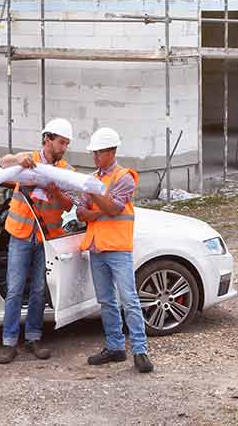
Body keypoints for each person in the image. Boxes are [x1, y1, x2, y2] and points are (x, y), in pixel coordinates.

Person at [0, 117, 75, 364]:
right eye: (61, 142)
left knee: (39, 290)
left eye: (67, 144)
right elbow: (2, 162)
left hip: (45, 238)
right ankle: (9, 343)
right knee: (16, 289)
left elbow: (70, 203)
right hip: (20, 234)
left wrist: (56, 192)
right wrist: (17, 160)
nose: (64, 148)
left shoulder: (65, 170)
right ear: (47, 139)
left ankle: (33, 338)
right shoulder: (28, 159)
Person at [76, 127, 153, 373]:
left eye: (98, 152)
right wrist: (97, 206)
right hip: (97, 248)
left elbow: (112, 209)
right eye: (94, 153)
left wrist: (95, 201)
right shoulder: (94, 179)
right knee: (106, 301)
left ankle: (140, 351)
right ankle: (115, 347)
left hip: (118, 249)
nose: (94, 157)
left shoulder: (124, 177)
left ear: (111, 152)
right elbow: (81, 212)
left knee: (129, 300)